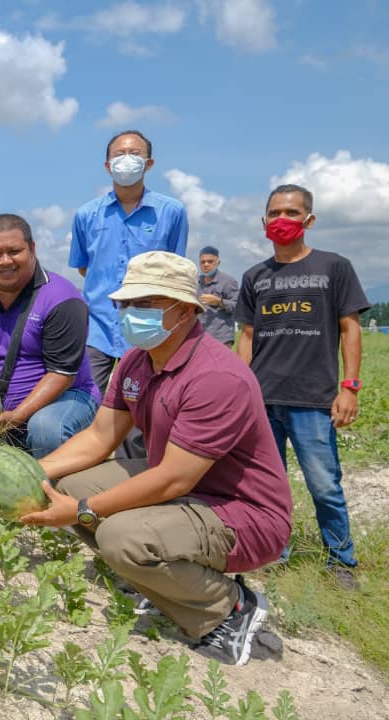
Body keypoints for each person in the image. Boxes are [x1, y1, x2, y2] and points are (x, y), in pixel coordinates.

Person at [21, 251, 291, 667]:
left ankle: (229, 608)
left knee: (119, 536)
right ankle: (153, 582)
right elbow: (98, 437)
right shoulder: (136, 360)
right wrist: (31, 473)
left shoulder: (216, 376)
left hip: (243, 513)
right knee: (69, 482)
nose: (130, 314)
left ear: (183, 310)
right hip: (186, 488)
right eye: (125, 304)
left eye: (144, 304)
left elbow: (172, 482)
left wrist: (82, 513)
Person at [236, 184, 369, 589]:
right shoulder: (255, 276)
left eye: (292, 213)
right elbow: (245, 337)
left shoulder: (334, 267)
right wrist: (240, 390)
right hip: (263, 397)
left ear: (308, 220)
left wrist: (349, 388)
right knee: (266, 484)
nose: (282, 220)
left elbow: (351, 330)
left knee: (324, 484)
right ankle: (275, 550)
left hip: (313, 398)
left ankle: (341, 559)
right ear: (263, 222)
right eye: (274, 213)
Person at [69, 129, 188, 458]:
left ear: (148, 163)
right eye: (119, 154)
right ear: (107, 165)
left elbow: (174, 268)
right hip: (99, 325)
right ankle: (89, 470)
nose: (126, 159)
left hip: (149, 323)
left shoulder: (171, 212)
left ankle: (139, 475)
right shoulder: (86, 215)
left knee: (145, 404)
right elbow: (83, 267)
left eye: (134, 153)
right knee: (89, 399)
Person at [0, 214, 99, 457]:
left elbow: (62, 375)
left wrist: (16, 417)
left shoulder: (62, 298)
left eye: (14, 251)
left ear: (32, 249)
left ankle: (58, 488)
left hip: (66, 399)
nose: (5, 261)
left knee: (46, 430)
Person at [197, 246, 239, 346]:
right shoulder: (195, 282)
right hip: (199, 338)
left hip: (221, 338)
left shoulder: (228, 281)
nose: (206, 264)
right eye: (203, 262)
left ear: (218, 262)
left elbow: (238, 307)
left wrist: (219, 302)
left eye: (210, 261)